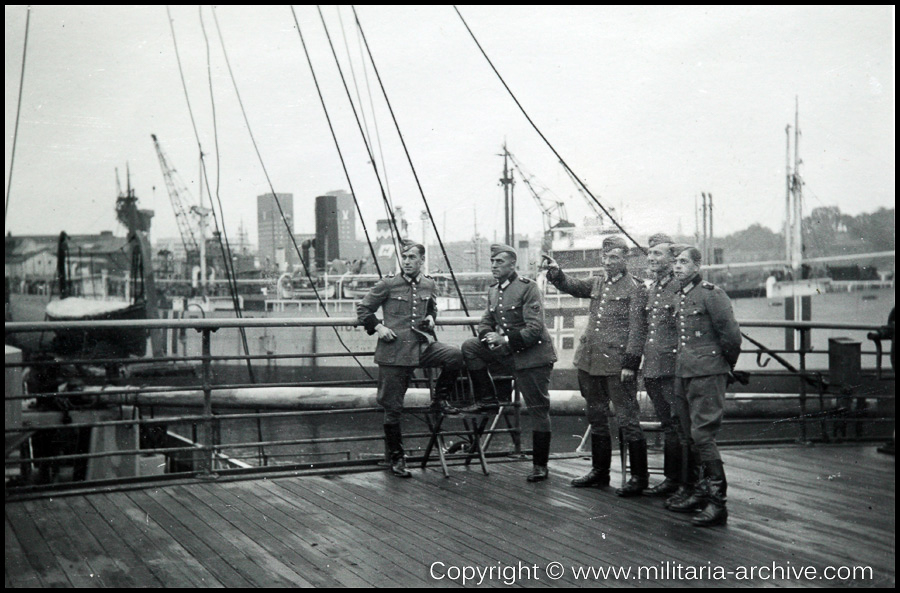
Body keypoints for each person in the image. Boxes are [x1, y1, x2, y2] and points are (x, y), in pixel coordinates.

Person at [544, 235, 647, 496]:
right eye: (605, 257)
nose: (608, 262)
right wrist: (556, 274)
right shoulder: (598, 282)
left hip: (616, 365)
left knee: (627, 419)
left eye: (614, 257)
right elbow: (574, 286)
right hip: (589, 362)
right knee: (596, 416)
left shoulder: (635, 288)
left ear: (626, 259)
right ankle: (600, 472)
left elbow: (637, 329)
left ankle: (639, 477)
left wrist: (631, 363)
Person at [356, 240, 465, 478]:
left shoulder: (429, 284)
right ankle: (397, 459)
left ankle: (440, 400)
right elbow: (363, 309)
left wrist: (431, 317)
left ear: (421, 260)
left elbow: (431, 307)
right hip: (394, 352)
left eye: (412, 257)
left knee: (455, 356)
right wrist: (378, 327)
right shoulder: (388, 284)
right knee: (393, 407)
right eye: (404, 257)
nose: (406, 261)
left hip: (421, 346)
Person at [461, 243, 558, 482]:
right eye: (493, 262)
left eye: (499, 262)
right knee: (470, 347)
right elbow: (485, 322)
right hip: (509, 354)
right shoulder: (494, 290)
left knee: (538, 408)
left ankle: (540, 465)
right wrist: (487, 338)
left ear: (513, 264)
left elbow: (534, 329)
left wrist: (502, 339)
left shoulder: (528, 288)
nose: (494, 266)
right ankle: (487, 399)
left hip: (533, 356)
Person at [666, 245, 742, 527]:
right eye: (675, 262)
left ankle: (717, 503)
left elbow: (731, 337)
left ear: (698, 266)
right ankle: (698, 494)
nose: (677, 267)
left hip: (708, 372)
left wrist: (724, 367)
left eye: (684, 262)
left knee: (703, 435)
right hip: (684, 372)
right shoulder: (681, 295)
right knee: (688, 434)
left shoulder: (712, 294)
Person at [622, 233, 683, 497]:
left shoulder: (679, 287)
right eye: (650, 254)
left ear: (672, 258)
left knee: (678, 424)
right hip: (654, 369)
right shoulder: (650, 289)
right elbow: (639, 330)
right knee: (669, 424)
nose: (651, 258)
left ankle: (681, 480)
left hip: (675, 368)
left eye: (658, 254)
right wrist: (632, 363)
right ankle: (674, 480)